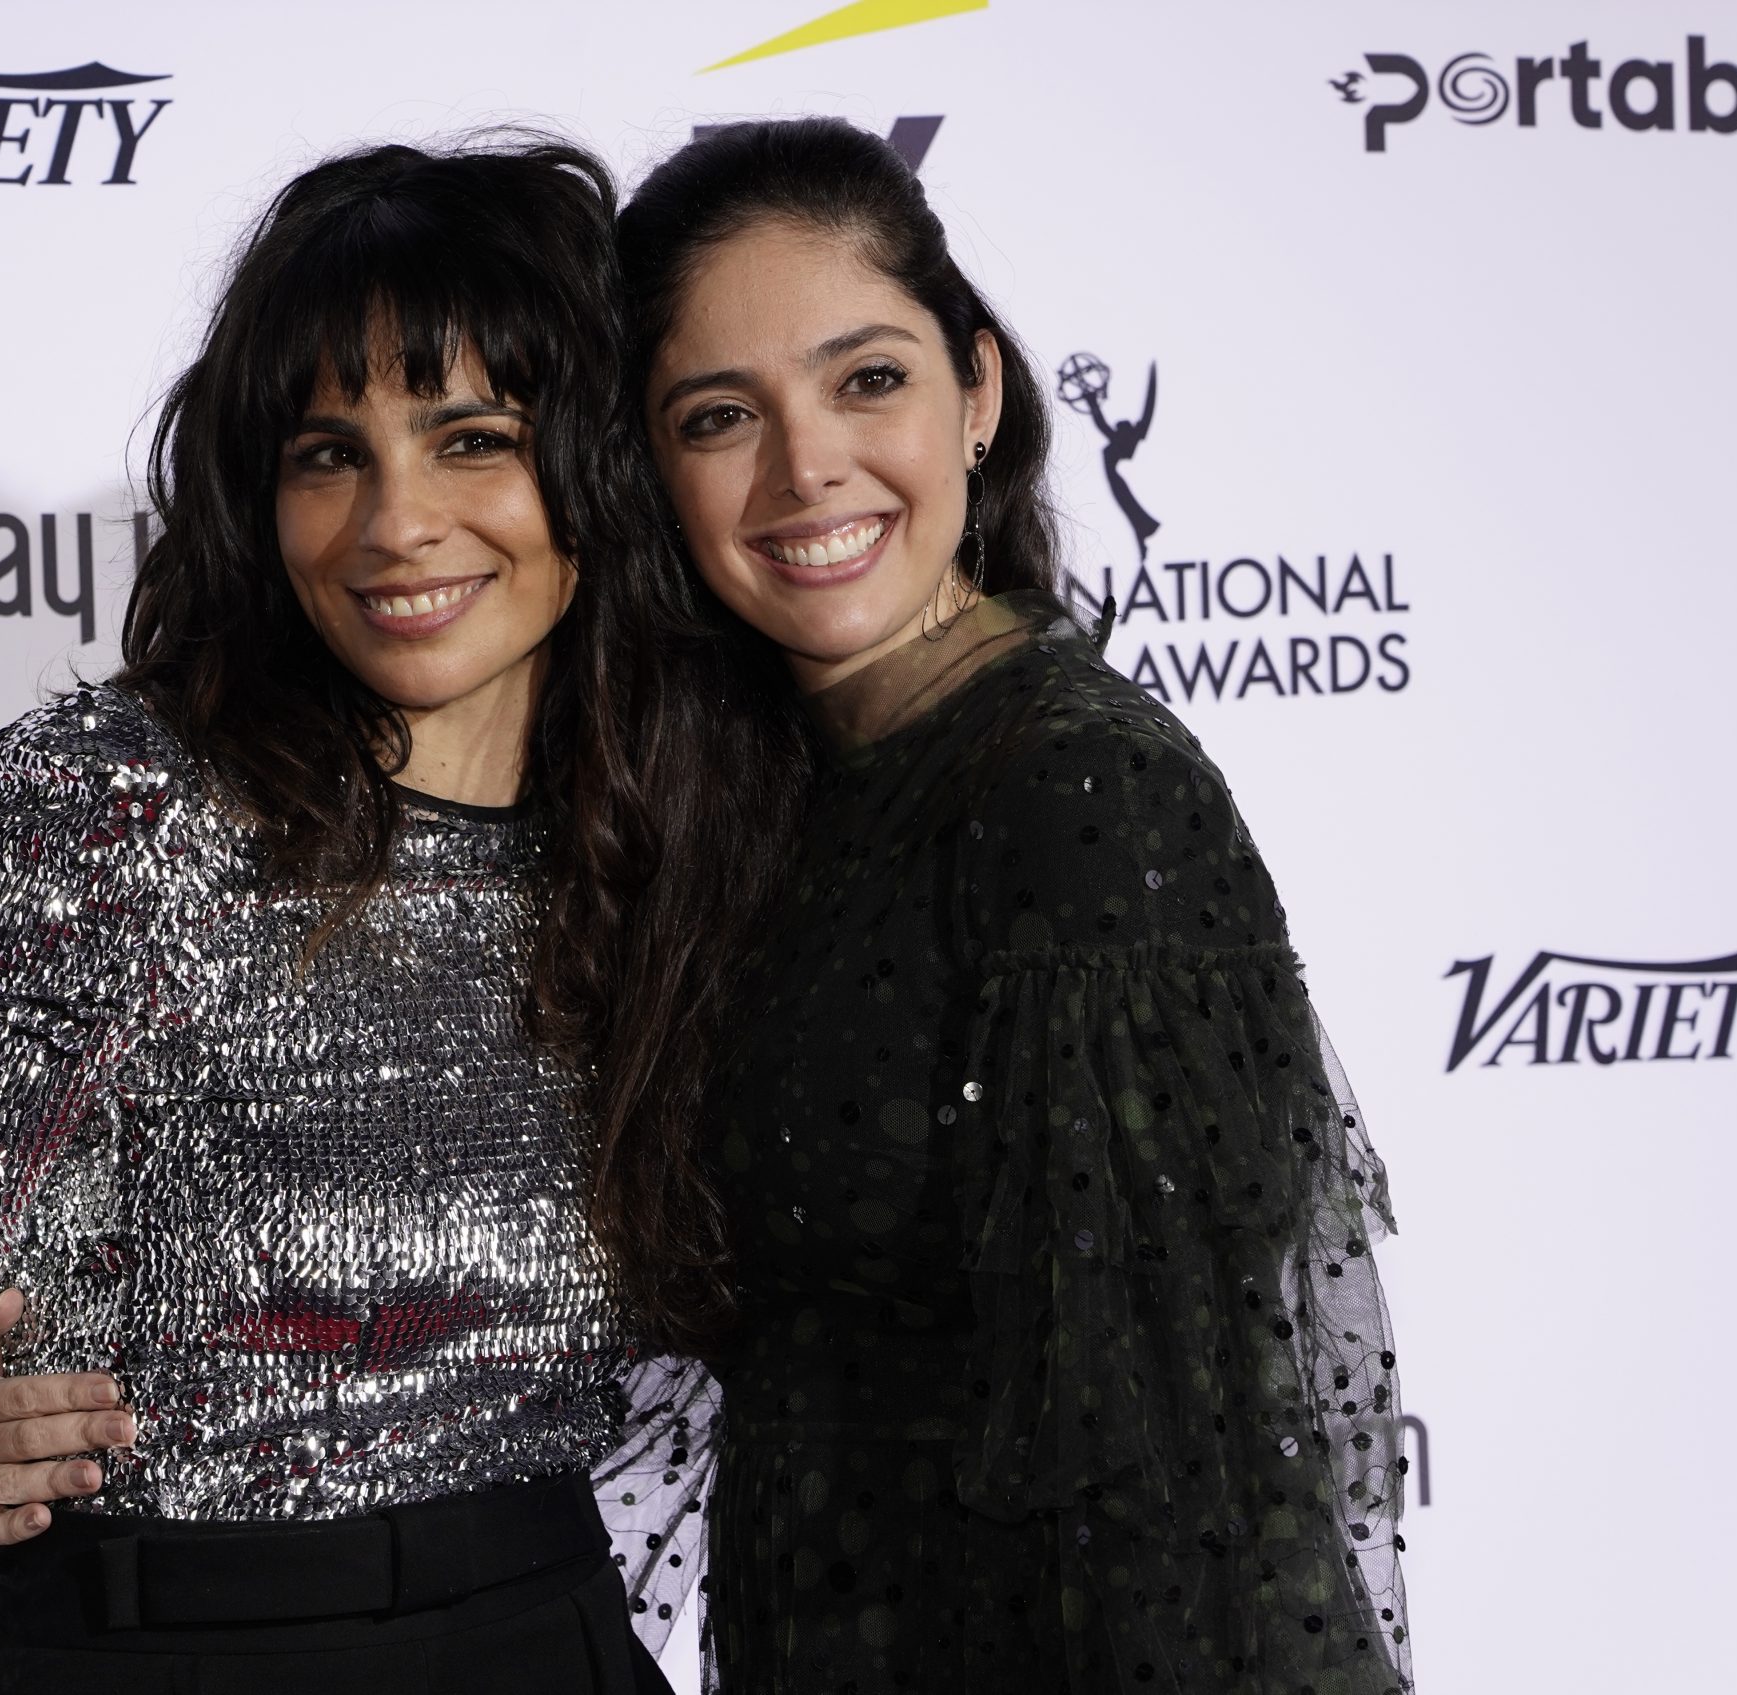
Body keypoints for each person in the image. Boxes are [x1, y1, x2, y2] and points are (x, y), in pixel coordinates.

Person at [0, 135, 800, 1695]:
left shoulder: (685, 834)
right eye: (330, 453)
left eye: (471, 439)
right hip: (174, 1645)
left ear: (594, 462)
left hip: (553, 1632)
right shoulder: (106, 810)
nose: (396, 524)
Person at [615, 118, 1413, 1694]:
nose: (806, 469)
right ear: (648, 467)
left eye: (868, 380)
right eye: (722, 415)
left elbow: (1176, 1484)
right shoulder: (761, 800)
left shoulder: (1075, 799)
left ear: (976, 391)